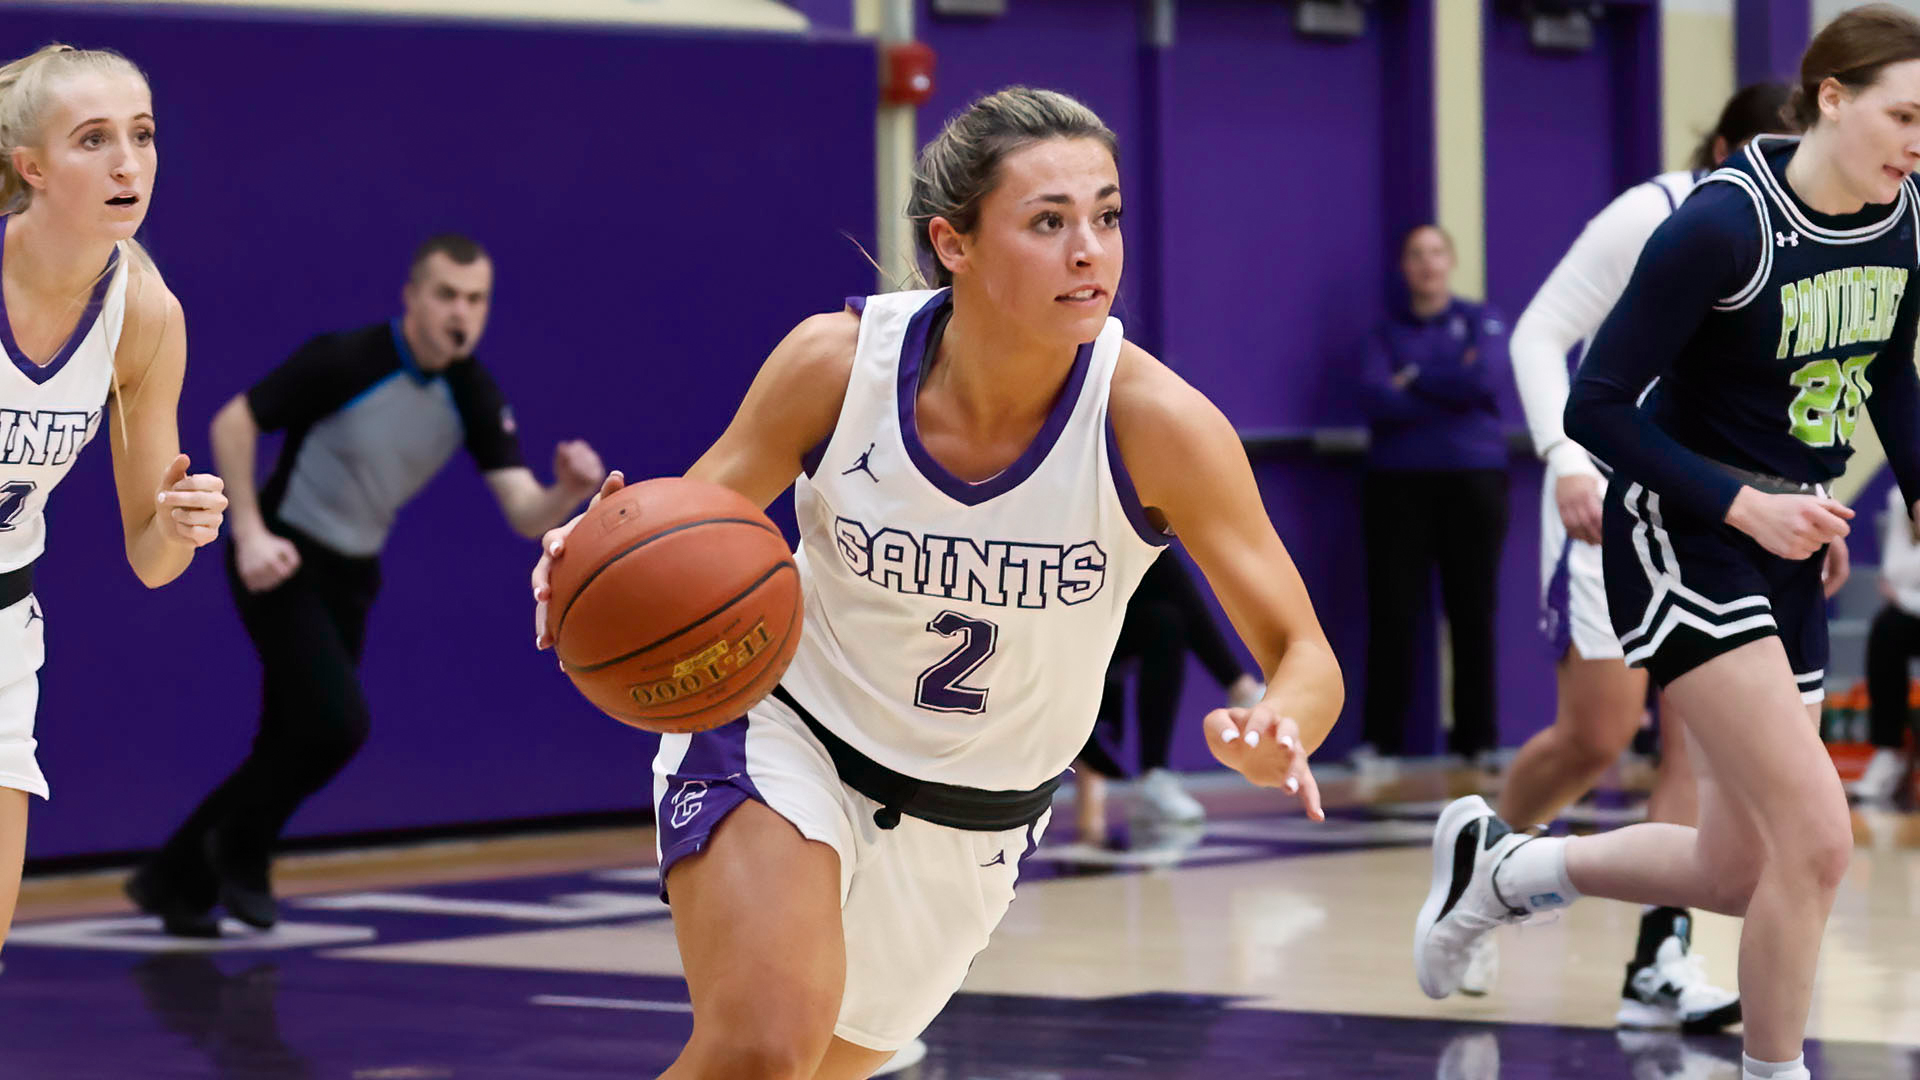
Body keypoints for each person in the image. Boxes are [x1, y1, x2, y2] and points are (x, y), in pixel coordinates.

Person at [531, 87, 1343, 1080]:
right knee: (757, 1052)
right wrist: (596, 552)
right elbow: (683, 536)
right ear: (952, 242)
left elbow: (1304, 655)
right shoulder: (837, 368)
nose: (1091, 249)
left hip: (976, 820)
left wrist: (1281, 728)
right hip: (787, 735)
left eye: (1107, 214)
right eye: (1049, 222)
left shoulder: (1159, 425)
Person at [1415, 9, 1920, 1080]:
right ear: (1831, 96)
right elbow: (1598, 406)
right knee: (1818, 842)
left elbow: (1883, 370)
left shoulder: (1903, 216)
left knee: (1740, 869)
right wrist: (1745, 506)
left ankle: (1503, 875)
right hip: (1687, 531)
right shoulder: (1719, 225)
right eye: (1906, 113)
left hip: (1790, 542)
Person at [127, 235, 605, 937]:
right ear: (412, 298)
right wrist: (251, 533)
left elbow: (521, 512)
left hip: (352, 577)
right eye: (446, 295)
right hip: (283, 561)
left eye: (476, 300)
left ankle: (174, 878)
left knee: (290, 738)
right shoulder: (348, 359)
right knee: (336, 725)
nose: (460, 314)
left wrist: (565, 489)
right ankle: (239, 848)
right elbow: (235, 420)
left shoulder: (473, 391)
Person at [1471, 83, 1800, 1023]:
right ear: (1728, 145)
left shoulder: (1801, 235)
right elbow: (1539, 334)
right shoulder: (1656, 214)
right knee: (1599, 736)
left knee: (1695, 742)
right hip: (1601, 492)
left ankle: (1661, 960)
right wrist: (1565, 458)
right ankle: (1482, 865)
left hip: (1711, 505)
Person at [0, 45, 228, 946]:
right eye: (93, 140)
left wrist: (180, 525)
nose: (128, 162)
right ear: (33, 168)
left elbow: (150, 559)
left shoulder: (144, 314)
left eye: (141, 134)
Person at [1358, 224, 1511, 772]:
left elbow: (1485, 381)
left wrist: (1414, 379)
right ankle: (1382, 742)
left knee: (1473, 610)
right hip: (1398, 482)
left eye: (1436, 253)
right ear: (1405, 267)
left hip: (1474, 479)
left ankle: (1479, 739)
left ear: (1451, 261)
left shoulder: (1482, 320)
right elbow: (1377, 396)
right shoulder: (1383, 333)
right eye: (1416, 254)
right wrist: (1448, 380)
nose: (1427, 264)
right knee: (1393, 611)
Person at [1073, 555, 1267, 839]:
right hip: (1053, 617)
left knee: (1165, 620)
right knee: (1160, 565)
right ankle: (1240, 687)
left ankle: (1155, 775)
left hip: (1098, 610)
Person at [1854, 482, 1920, 800]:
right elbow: (1893, 571)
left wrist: (1905, 594)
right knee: (1886, 628)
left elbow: (1899, 582)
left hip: (1911, 602)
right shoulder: (1900, 497)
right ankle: (1888, 751)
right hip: (1912, 612)